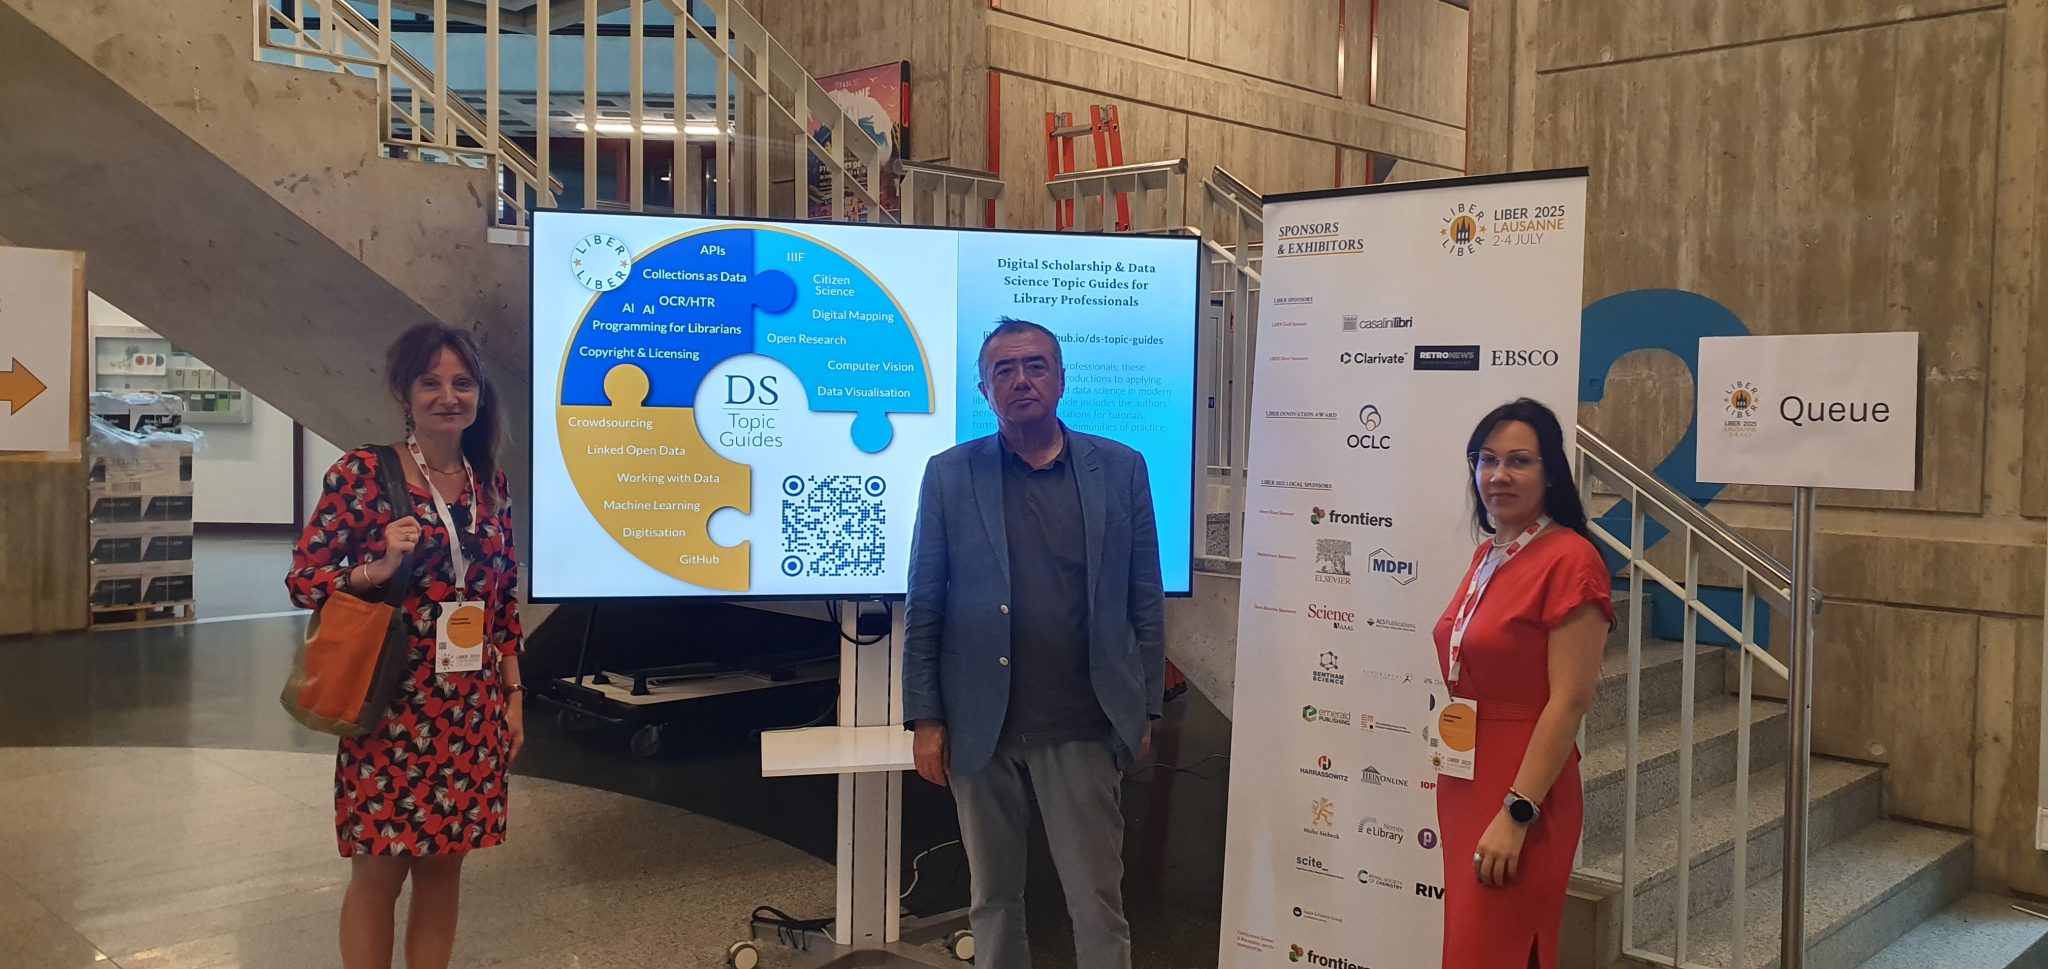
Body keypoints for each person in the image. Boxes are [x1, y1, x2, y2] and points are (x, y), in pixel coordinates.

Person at [902, 318, 1167, 969]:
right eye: (1005, 369)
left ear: (1061, 379)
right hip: (979, 725)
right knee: (993, 899)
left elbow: (1144, 599)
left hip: (1083, 720)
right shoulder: (949, 475)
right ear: (985, 390)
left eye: (1036, 365)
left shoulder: (1121, 469)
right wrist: (926, 718)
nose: (1022, 379)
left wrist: (1144, 708)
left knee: (1096, 900)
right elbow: (924, 603)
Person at [287, 322, 526, 969]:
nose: (448, 396)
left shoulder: (489, 486)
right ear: (405, 393)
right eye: (431, 382)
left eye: (462, 382)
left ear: (479, 395)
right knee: (379, 870)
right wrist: (376, 569)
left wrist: (513, 695)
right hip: (391, 703)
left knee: (445, 869)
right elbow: (304, 580)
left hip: (470, 707)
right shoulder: (364, 473)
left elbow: (502, 601)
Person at [1432, 398, 1612, 969]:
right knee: (1470, 948)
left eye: (1519, 461)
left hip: (1524, 786)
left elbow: (1571, 700)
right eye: (1487, 460)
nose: (1498, 475)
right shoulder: (1490, 554)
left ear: (1550, 472)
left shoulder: (1572, 559)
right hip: (1467, 775)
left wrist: (1517, 813)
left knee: (1503, 949)